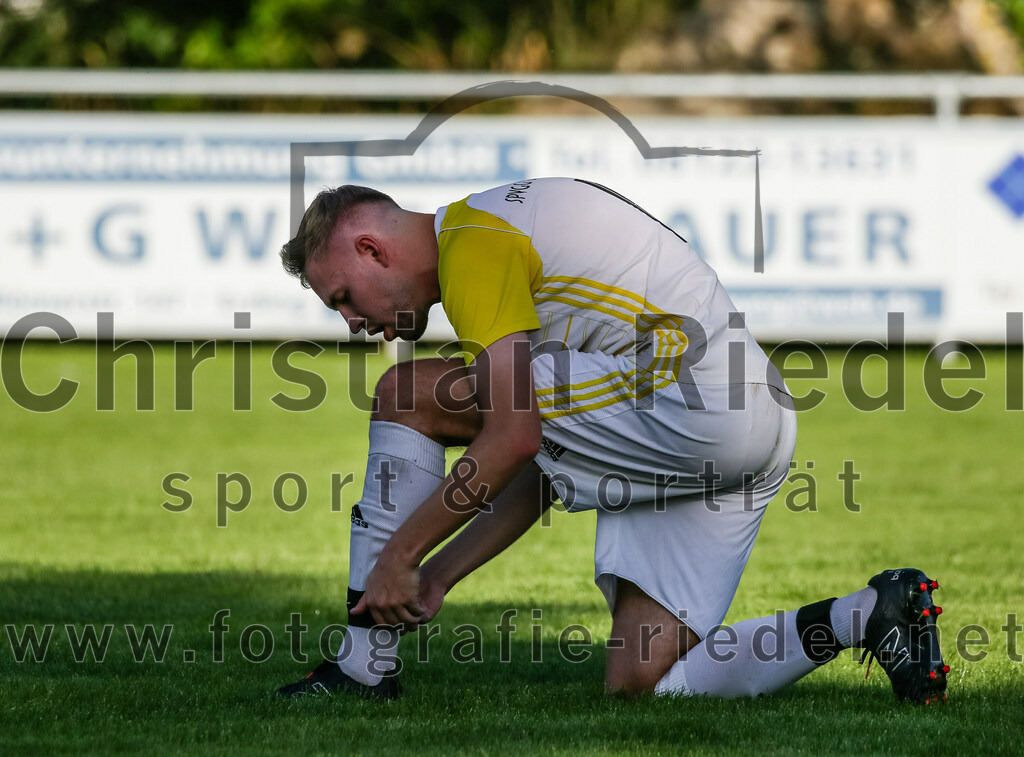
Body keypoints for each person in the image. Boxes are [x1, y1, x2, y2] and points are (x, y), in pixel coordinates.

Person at [275, 178, 947, 703]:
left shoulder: (472, 244)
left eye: (342, 297)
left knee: (406, 393)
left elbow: (514, 436)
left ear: (371, 248)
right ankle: (871, 613)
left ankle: (362, 666)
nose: (352, 321)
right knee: (644, 680)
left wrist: (399, 555)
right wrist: (440, 573)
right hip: (740, 426)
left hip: (689, 405)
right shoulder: (500, 234)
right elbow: (542, 457)